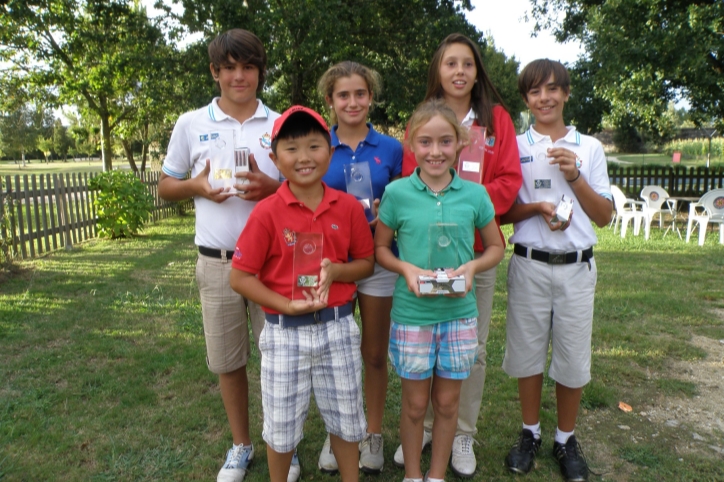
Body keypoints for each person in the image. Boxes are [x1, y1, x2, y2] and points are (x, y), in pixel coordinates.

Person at [157, 29, 298, 482]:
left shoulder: (280, 124)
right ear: (215, 72)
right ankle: (241, 445)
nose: (240, 76)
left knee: (279, 358)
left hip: (273, 262)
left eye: (249, 66)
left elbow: (306, 190)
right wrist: (196, 186)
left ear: (260, 71)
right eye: (230, 67)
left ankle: (284, 444)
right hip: (217, 261)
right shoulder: (191, 123)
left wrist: (273, 189)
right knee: (228, 359)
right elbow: (165, 187)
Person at [396, 33, 522, 477]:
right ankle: (425, 428)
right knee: (423, 347)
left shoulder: (496, 119)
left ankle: (462, 431)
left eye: (467, 63)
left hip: (474, 253)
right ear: (439, 70)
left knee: (472, 348)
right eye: (450, 63)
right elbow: (409, 178)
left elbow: (508, 179)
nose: (459, 71)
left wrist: (464, 203)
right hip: (424, 258)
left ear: (477, 71)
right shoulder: (426, 117)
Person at [229, 105, 375, 482]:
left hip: (338, 327)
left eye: (314, 146)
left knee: (346, 420)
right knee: (280, 427)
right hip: (283, 331)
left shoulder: (346, 206)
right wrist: (285, 304)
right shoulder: (267, 212)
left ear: (330, 150)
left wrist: (338, 270)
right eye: (291, 149)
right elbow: (241, 277)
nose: (304, 157)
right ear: (275, 158)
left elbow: (366, 263)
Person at [375, 99, 505, 482]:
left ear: (460, 144)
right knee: (416, 406)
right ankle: (413, 475)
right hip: (413, 316)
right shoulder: (398, 194)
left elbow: (496, 246)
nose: (435, 152)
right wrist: (405, 267)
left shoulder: (475, 195)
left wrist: (472, 267)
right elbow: (381, 248)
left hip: (458, 314)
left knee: (447, 404)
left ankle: (436, 476)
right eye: (426, 142)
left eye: (445, 142)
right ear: (412, 143)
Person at [500, 59, 612, 482]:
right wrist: (536, 206)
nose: (543, 98)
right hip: (529, 262)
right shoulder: (515, 145)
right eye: (534, 92)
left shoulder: (590, 147)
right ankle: (529, 433)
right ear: (526, 99)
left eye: (551, 89)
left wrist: (576, 176)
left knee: (571, 355)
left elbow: (604, 217)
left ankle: (566, 439)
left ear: (565, 93)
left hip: (576, 268)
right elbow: (502, 210)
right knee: (527, 352)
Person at [315, 61, 403, 474]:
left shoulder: (391, 148)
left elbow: (409, 199)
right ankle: (339, 434)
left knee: (372, 353)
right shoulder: (318, 145)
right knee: (334, 352)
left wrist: (390, 212)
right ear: (330, 101)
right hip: (330, 263)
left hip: (378, 260)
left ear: (371, 97)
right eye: (343, 95)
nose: (352, 102)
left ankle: (371, 433)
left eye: (360, 94)